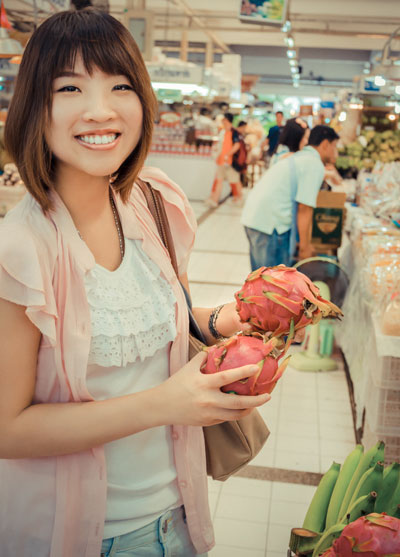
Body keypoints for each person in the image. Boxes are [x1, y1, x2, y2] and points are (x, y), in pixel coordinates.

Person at [0, 9, 271, 557]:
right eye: (69, 87)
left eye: (120, 85)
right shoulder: (20, 250)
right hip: (79, 536)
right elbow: (7, 429)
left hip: (180, 517)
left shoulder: (155, 202)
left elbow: (154, 327)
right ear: (34, 107)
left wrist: (225, 322)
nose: (100, 110)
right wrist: (169, 403)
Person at [241, 125, 339, 269]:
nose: (336, 153)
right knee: (272, 285)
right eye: (335, 147)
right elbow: (304, 208)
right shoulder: (314, 164)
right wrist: (306, 248)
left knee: (261, 281)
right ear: (325, 145)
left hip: (256, 218)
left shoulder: (302, 157)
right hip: (270, 225)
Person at [205, 112, 243, 207]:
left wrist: (228, 154)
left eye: (224, 119)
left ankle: (240, 198)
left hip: (230, 162)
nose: (222, 121)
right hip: (221, 161)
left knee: (234, 180)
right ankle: (214, 200)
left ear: (227, 120)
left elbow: (237, 145)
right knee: (219, 180)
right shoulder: (223, 132)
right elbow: (221, 146)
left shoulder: (234, 132)